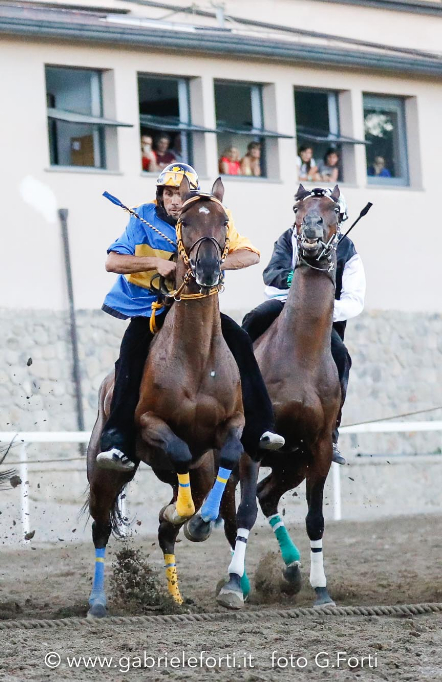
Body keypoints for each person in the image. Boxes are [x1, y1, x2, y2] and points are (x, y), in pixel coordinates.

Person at [95, 162, 284, 471]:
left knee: (241, 343)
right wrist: (154, 263)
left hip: (197, 309)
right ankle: (118, 442)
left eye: (178, 195)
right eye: (168, 194)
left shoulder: (207, 216)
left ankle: (260, 427)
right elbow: (112, 262)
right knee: (128, 360)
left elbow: (250, 253)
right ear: (161, 195)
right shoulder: (142, 218)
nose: (173, 201)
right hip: (151, 310)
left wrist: (215, 264)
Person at [241, 188, 365, 465]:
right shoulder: (288, 238)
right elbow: (270, 274)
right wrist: (296, 286)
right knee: (250, 321)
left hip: (324, 322)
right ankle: (235, 399)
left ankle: (331, 430)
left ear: (336, 219)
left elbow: (354, 300)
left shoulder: (348, 249)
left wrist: (318, 311)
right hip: (283, 307)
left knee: (341, 356)